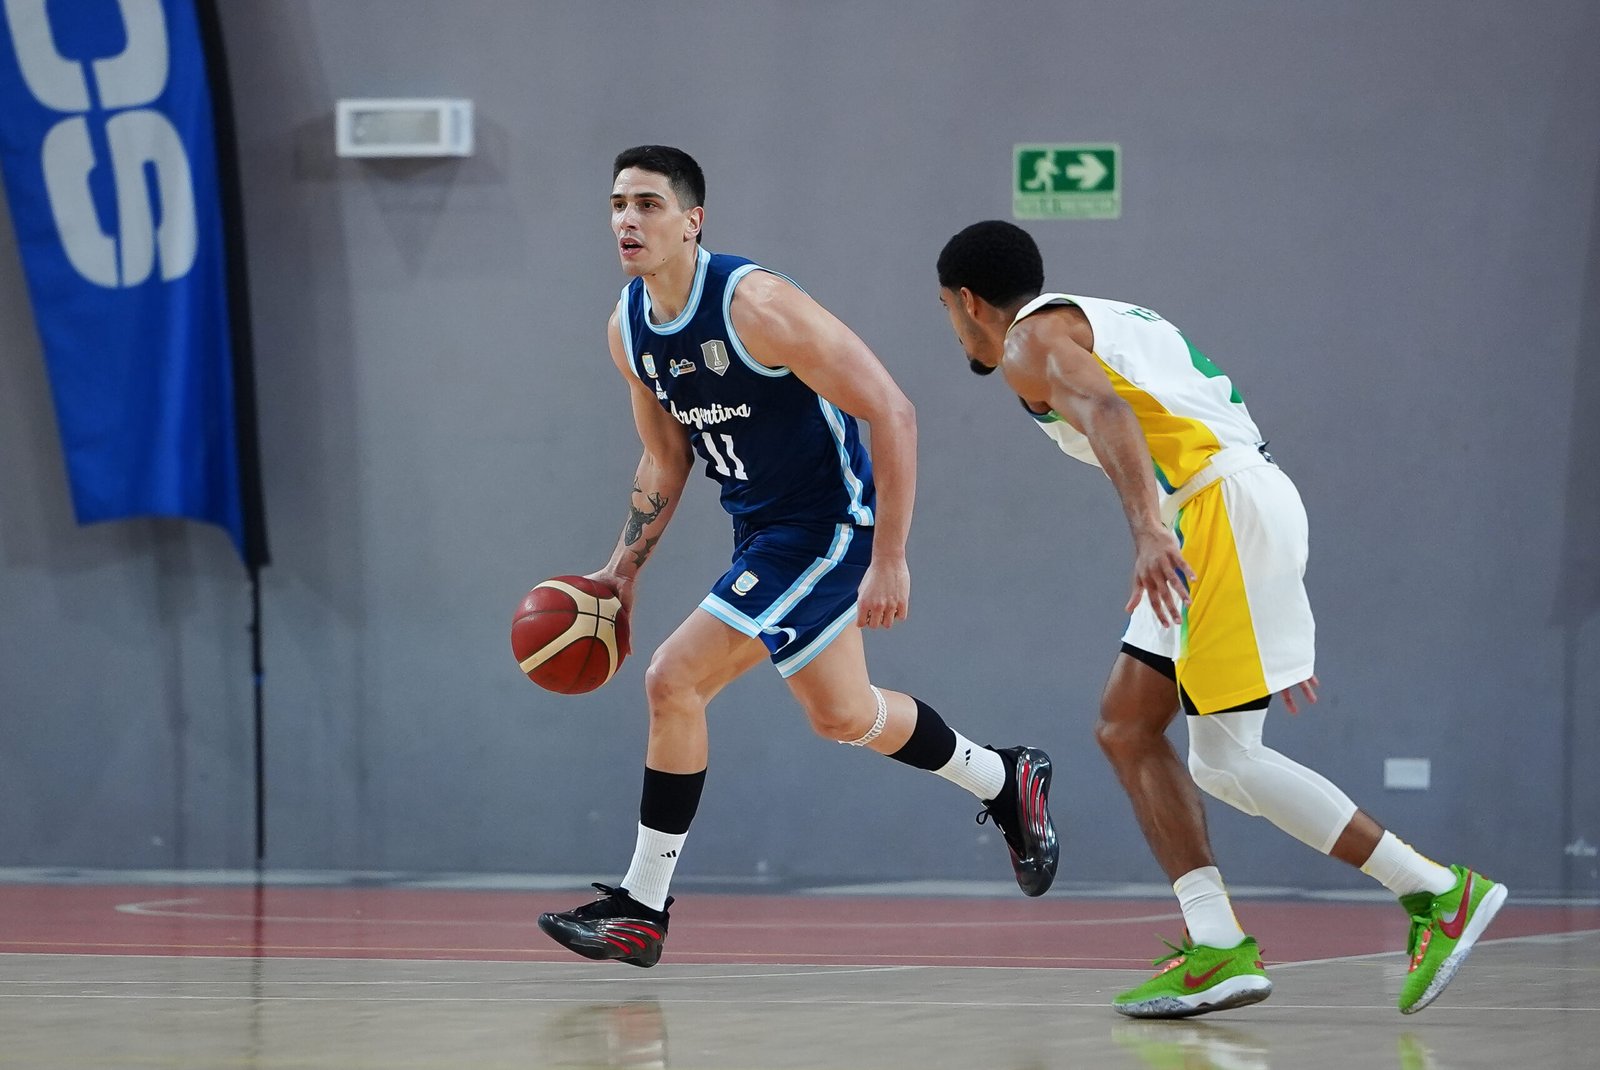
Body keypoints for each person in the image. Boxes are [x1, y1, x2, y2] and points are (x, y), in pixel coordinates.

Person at [932, 219, 1505, 1018]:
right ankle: (1215, 943)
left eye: (947, 312)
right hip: (1231, 511)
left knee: (1228, 759)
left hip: (1212, 516)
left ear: (967, 302)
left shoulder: (1030, 343)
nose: (952, 328)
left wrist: (1148, 531)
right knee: (1127, 726)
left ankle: (1437, 892)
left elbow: (1108, 412)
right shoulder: (1108, 315)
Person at [536, 149, 1059, 968]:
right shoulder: (628, 328)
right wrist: (621, 571)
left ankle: (642, 905)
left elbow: (893, 410)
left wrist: (891, 556)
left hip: (830, 525)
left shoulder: (759, 306)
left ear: (691, 220)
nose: (627, 221)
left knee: (673, 680)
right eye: (616, 205)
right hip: (763, 532)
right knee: (843, 715)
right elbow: (664, 461)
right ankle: (1004, 779)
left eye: (646, 204)